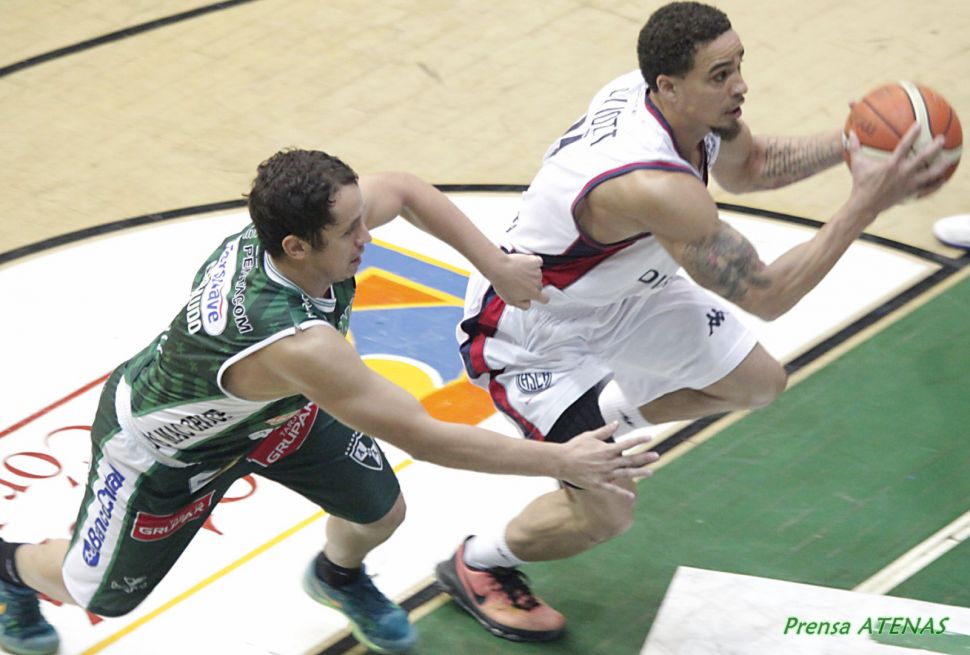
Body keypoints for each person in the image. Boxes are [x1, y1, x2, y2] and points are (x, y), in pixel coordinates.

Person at [0, 149, 659, 655]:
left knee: (379, 511)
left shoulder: (296, 234)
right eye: (350, 231)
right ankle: (9, 571)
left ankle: (337, 577)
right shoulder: (298, 343)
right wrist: (562, 458)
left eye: (361, 219)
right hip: (164, 451)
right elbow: (425, 436)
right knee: (97, 593)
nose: (366, 236)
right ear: (297, 246)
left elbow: (403, 187)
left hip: (273, 415)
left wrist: (495, 264)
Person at [435, 0, 951, 643]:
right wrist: (866, 202)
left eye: (738, 67)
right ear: (669, 86)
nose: (740, 86)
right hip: (534, 335)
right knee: (606, 516)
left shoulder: (680, 105)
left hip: (626, 293)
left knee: (757, 382)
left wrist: (859, 144)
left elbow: (751, 166)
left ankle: (607, 415)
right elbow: (769, 294)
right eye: (720, 75)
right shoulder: (651, 182)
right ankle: (479, 562)